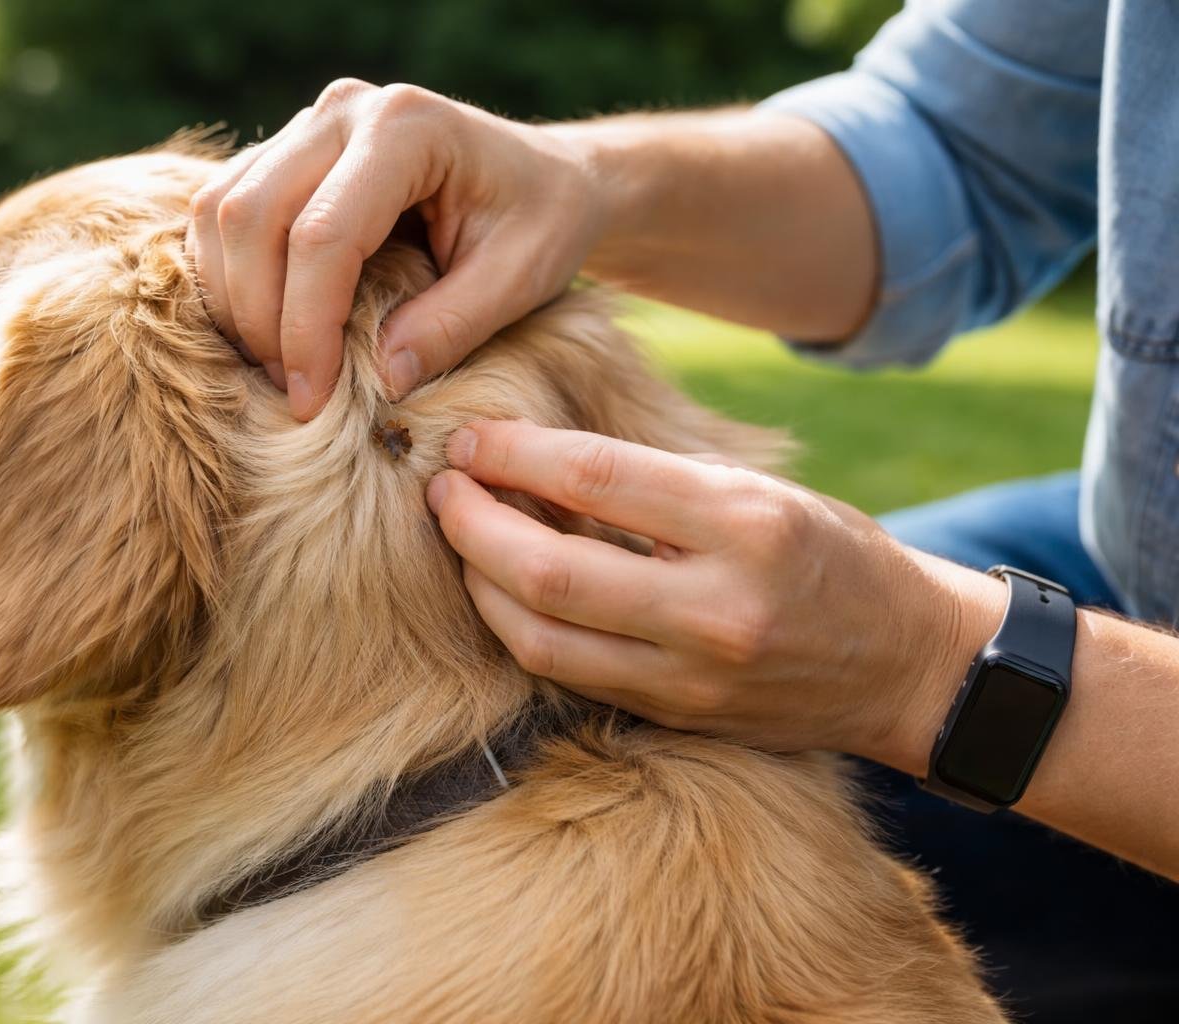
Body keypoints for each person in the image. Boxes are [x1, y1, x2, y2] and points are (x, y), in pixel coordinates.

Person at [185, 2, 1179, 1018]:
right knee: (685, 687)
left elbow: (922, 660)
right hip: (1132, 565)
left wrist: (932, 665)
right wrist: (577, 179)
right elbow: (951, 149)